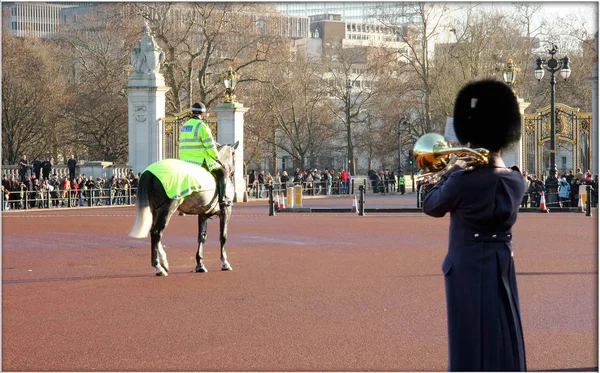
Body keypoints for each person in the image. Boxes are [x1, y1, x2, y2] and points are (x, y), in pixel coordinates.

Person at [422, 79, 526, 371]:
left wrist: (451, 171)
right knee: (503, 328)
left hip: (466, 263)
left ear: (472, 138)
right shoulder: (517, 180)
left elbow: (431, 205)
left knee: (467, 335)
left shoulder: (463, 181)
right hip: (501, 261)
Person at [178, 102, 230, 209]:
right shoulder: (202, 126)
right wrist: (218, 159)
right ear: (202, 113)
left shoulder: (185, 126)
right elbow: (210, 146)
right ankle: (222, 200)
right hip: (199, 160)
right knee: (222, 174)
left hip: (184, 160)